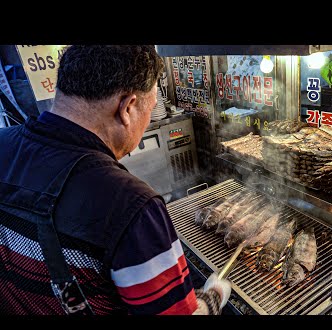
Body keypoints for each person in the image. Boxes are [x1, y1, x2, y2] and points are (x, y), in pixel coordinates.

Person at [0, 45, 231, 315]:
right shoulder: (131, 205)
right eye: (151, 107)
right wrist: (212, 297)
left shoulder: (3, 144)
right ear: (128, 107)